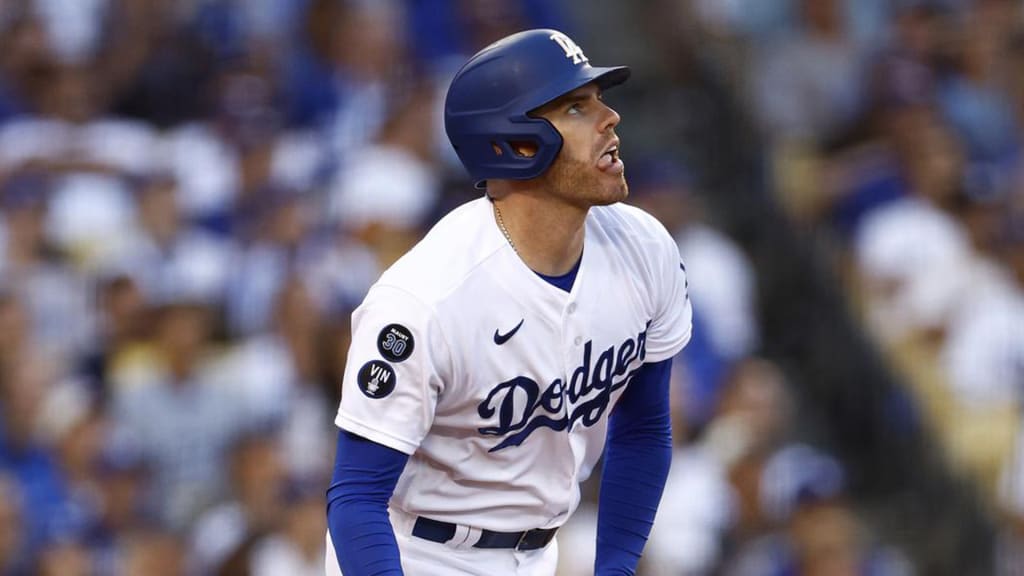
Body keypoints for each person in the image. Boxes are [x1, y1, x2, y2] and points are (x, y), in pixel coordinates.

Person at [325, 28, 693, 576]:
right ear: (518, 144)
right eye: (576, 107)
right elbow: (356, 497)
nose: (609, 118)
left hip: (541, 554)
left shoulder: (645, 248)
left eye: (598, 99)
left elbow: (642, 430)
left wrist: (614, 567)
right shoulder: (426, 301)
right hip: (417, 554)